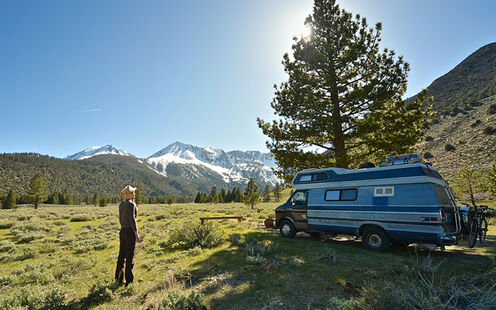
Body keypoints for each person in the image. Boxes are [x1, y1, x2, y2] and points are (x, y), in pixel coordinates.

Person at [115, 185, 141, 286]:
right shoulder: (131, 205)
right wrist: (136, 234)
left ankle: (118, 278)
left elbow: (121, 219)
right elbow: (132, 220)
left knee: (121, 255)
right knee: (130, 256)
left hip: (122, 231)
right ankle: (129, 281)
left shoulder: (121, 204)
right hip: (130, 232)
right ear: (132, 194)